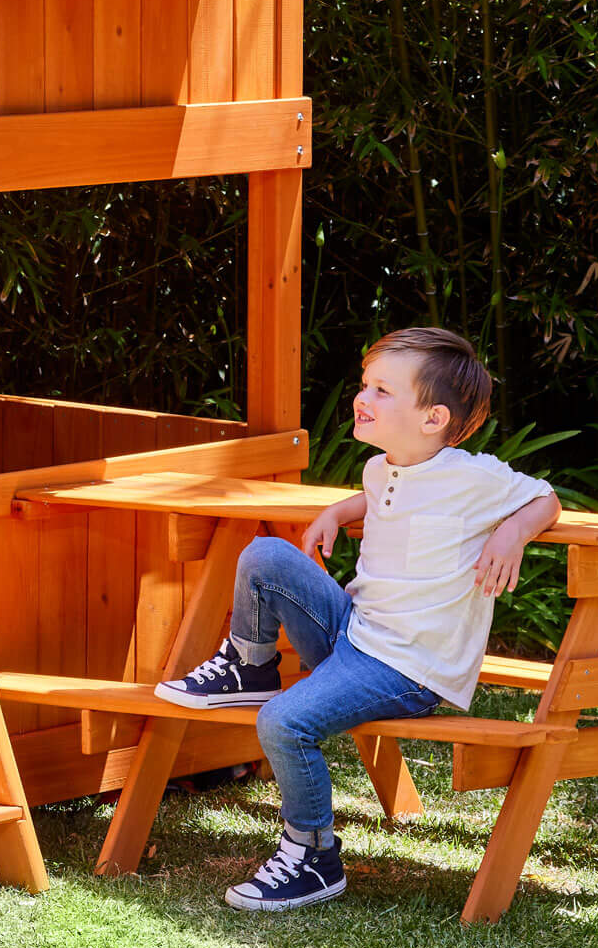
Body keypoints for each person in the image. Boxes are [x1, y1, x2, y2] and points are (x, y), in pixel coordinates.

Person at [155, 326, 559, 912]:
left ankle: (313, 856)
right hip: (354, 635)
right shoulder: (381, 468)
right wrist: (338, 510)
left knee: (284, 723)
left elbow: (544, 497)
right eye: (365, 385)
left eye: (383, 390)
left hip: (407, 667)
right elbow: (386, 498)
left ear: (433, 418)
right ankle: (249, 665)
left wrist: (513, 532)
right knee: (265, 556)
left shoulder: (473, 476)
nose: (361, 398)